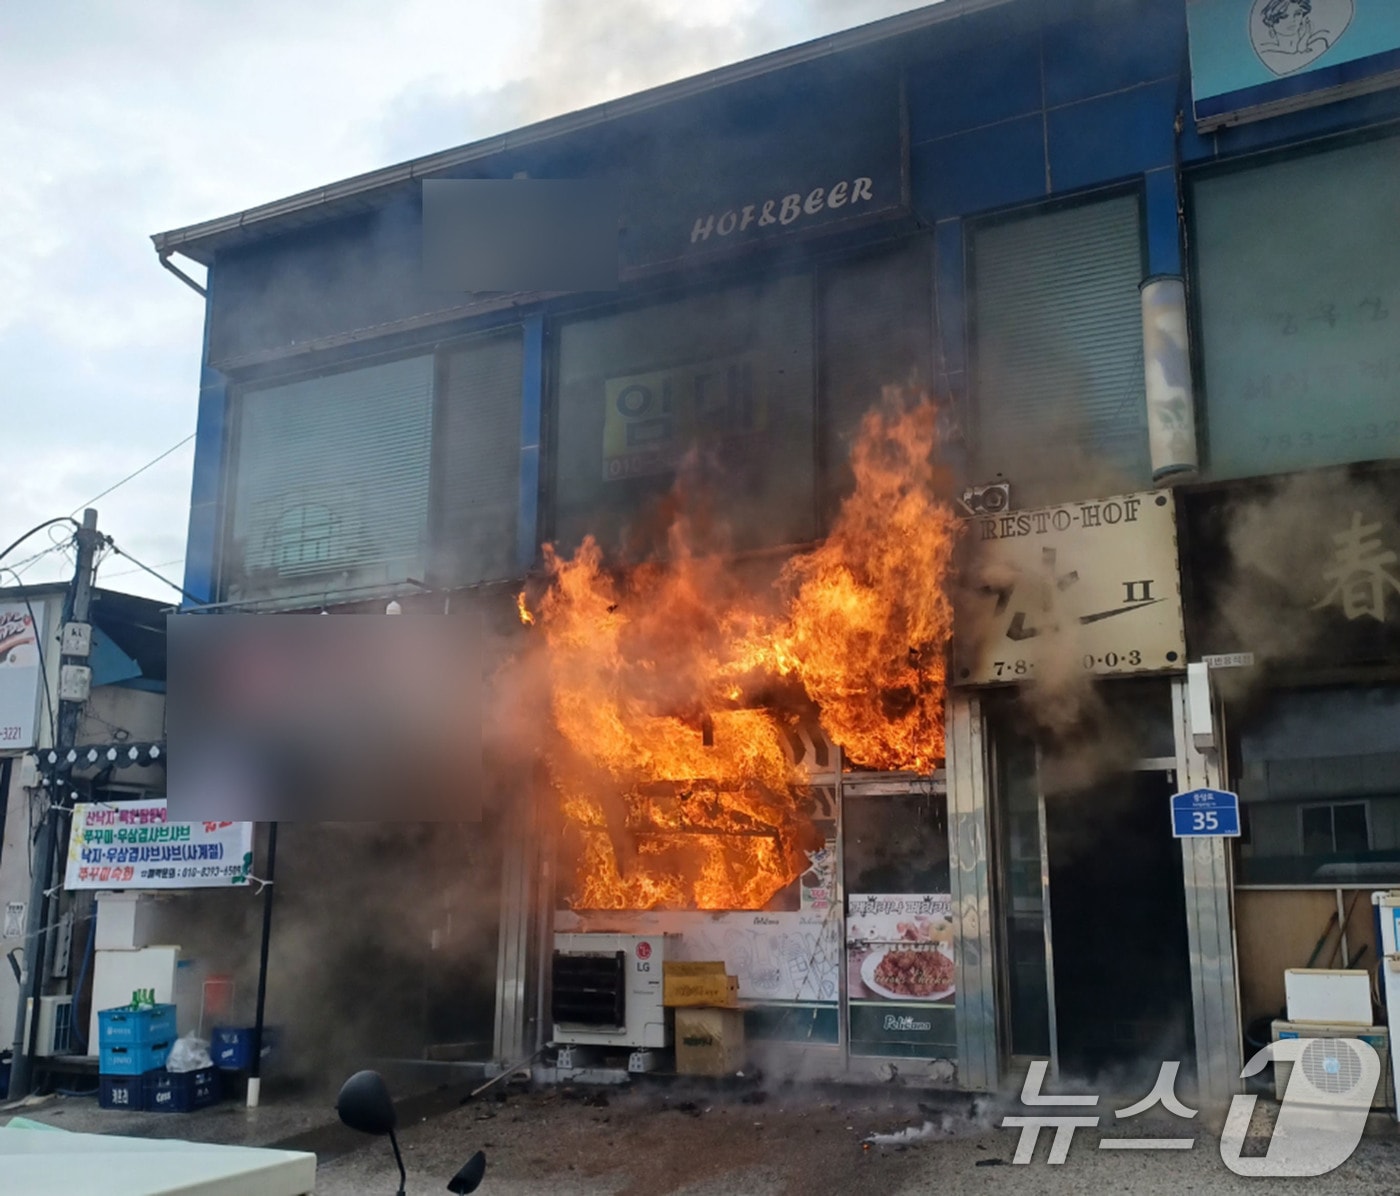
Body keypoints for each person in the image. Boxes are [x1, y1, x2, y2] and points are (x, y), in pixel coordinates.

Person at [1258, 0, 1333, 67]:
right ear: (1272, 20)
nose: (1292, 20)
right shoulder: (1266, 52)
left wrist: (1305, 38)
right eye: (1284, 16)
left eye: (1297, 14)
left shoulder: (1320, 40)